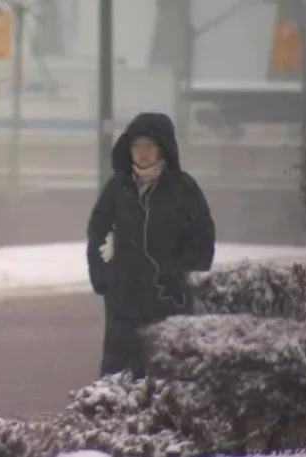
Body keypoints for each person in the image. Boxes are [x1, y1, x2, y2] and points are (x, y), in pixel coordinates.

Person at [86, 112, 216, 378]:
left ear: (163, 149)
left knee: (165, 369)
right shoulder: (118, 187)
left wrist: (183, 276)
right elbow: (97, 231)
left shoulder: (183, 188)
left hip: (168, 298)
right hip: (123, 298)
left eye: (149, 146)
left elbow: (202, 237)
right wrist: (102, 274)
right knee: (117, 369)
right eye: (136, 146)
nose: (142, 153)